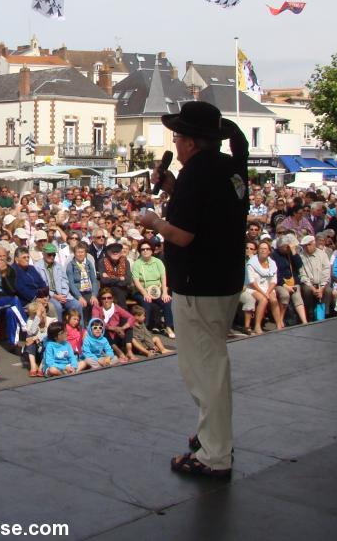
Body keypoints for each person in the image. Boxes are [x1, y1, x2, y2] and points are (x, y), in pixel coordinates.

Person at [138, 100, 247, 481]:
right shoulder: (230, 168)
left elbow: (183, 235)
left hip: (199, 284)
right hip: (226, 279)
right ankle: (211, 435)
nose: (176, 142)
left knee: (204, 371)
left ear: (191, 143)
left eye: (178, 136)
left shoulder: (196, 174)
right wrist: (175, 188)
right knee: (213, 365)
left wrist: (154, 221)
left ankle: (214, 455)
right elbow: (210, 211)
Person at [131, 241, 174, 338]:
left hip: (157, 290)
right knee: (146, 301)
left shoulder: (158, 262)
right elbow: (136, 281)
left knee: (167, 301)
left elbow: (163, 278)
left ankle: (168, 326)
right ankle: (144, 328)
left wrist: (165, 292)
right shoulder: (137, 264)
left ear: (152, 250)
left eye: (148, 249)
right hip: (141, 290)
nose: (145, 251)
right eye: (143, 249)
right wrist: (145, 293)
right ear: (140, 251)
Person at [90, 288, 136, 361]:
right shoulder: (97, 308)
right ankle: (119, 352)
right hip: (104, 337)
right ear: (100, 300)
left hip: (116, 335)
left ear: (112, 299)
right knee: (101, 328)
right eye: (104, 298)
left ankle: (129, 351)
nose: (106, 300)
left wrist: (123, 328)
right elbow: (96, 321)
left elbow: (131, 317)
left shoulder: (116, 307)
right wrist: (113, 328)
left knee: (128, 325)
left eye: (109, 298)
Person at [298, 235, 332, 320]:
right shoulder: (301, 257)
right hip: (309, 283)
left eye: (309, 245)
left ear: (314, 244)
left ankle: (325, 314)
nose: (307, 247)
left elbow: (326, 272)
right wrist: (313, 288)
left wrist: (322, 288)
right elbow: (302, 275)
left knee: (328, 290)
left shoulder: (322, 254)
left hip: (321, 283)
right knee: (307, 290)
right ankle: (310, 313)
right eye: (304, 246)